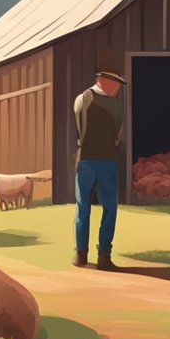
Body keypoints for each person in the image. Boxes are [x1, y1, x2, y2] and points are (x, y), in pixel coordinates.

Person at [72, 58, 126, 271]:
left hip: (90, 160)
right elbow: (117, 135)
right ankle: (93, 254)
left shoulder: (81, 100)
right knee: (103, 208)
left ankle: (90, 255)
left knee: (87, 208)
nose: (117, 87)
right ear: (103, 80)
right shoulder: (112, 105)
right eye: (115, 83)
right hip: (102, 161)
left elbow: (80, 127)